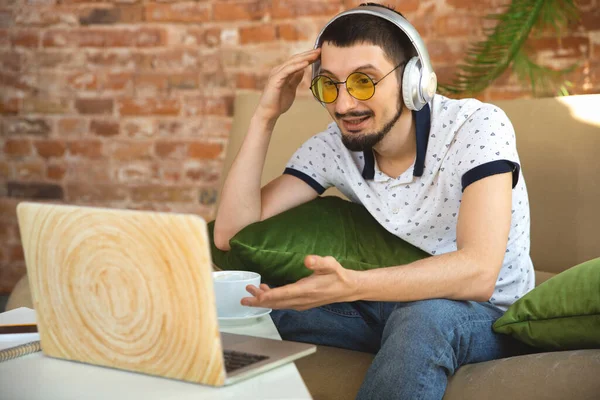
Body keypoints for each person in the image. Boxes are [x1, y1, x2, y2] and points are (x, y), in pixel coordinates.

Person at [214, 3, 536, 399]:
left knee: (423, 318)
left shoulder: (477, 126)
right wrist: (265, 117)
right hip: (383, 303)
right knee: (243, 309)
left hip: (485, 315)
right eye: (330, 85)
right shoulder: (335, 148)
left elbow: (479, 272)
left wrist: (352, 285)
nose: (345, 105)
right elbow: (231, 233)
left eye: (363, 82)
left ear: (413, 80)